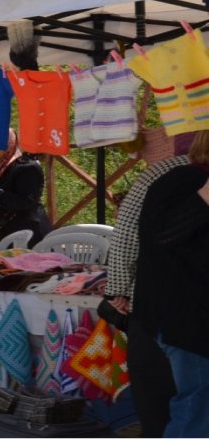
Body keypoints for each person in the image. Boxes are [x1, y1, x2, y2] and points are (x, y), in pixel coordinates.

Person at [106, 133, 199, 437]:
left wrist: (118, 287)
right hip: (169, 307)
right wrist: (119, 286)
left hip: (159, 304)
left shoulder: (162, 173)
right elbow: (132, 235)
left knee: (170, 398)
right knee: (177, 399)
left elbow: (127, 235)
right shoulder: (171, 175)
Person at [133, 131, 209, 438]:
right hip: (187, 320)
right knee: (197, 409)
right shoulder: (182, 180)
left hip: (191, 316)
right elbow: (162, 236)